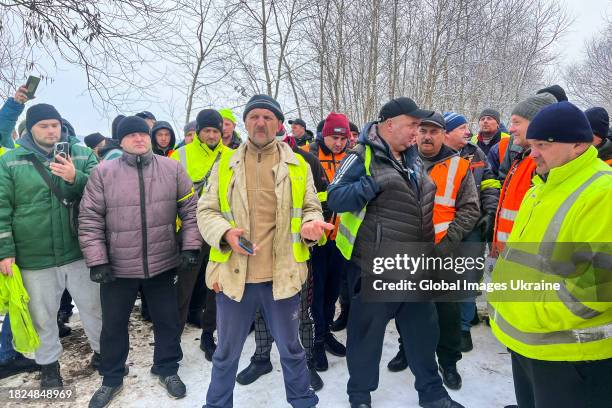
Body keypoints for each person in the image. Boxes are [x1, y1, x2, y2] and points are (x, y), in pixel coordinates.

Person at [327, 97, 464, 408]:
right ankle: (359, 396)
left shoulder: (412, 158)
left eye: (420, 126)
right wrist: (370, 184)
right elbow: (335, 197)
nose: (417, 132)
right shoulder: (361, 155)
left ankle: (433, 394)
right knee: (366, 338)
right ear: (389, 125)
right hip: (377, 266)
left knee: (422, 334)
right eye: (412, 125)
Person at [198, 94, 330, 408]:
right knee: (226, 352)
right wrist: (225, 233)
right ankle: (217, 403)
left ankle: (302, 401)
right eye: (254, 116)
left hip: (281, 276)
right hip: (234, 276)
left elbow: (312, 207)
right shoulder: (226, 163)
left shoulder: (297, 164)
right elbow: (205, 211)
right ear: (244, 123)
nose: (260, 122)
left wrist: (312, 225)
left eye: (268, 117)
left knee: (291, 349)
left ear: (279, 124)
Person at [489, 101, 612, 408]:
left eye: (542, 145)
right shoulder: (539, 189)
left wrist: (532, 314)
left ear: (579, 145)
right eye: (532, 145)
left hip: (570, 356)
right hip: (530, 345)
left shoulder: (601, 193)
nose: (533, 154)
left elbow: (598, 287)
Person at [79, 115, 202, 407]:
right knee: (114, 325)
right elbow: (89, 219)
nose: (139, 138)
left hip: (162, 263)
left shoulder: (171, 168)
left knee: (168, 321)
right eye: (131, 135)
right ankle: (111, 376)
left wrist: (190, 246)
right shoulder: (104, 174)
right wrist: (97, 261)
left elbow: (191, 210)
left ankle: (167, 367)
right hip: (118, 268)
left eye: (143, 134)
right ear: (120, 141)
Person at [0, 103, 101, 388]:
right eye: (43, 125)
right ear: (30, 128)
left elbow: (104, 189)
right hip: (34, 255)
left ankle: (103, 354)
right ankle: (49, 366)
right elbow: (1, 208)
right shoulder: (10, 161)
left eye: (54, 125)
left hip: (78, 250)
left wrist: (74, 178)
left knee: (94, 308)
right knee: (42, 316)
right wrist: (5, 252)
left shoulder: (81, 154)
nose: (50, 130)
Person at [235, 130, 330, 390]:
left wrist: (312, 227)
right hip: (257, 255)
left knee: (301, 315)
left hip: (293, 256)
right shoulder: (242, 160)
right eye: (256, 118)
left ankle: (307, 363)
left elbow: (317, 202)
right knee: (261, 314)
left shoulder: (304, 161)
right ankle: (261, 358)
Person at [412, 112, 479, 390]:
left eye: (434, 131)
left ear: (443, 134)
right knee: (410, 309)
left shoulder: (459, 166)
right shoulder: (399, 161)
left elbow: (470, 209)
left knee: (447, 314)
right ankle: (408, 352)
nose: (427, 136)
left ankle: (448, 362)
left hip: (443, 254)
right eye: (423, 130)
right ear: (415, 133)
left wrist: (448, 243)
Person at [171, 109, 233, 360]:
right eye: (206, 130)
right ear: (197, 132)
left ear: (222, 132)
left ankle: (209, 334)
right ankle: (171, 340)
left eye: (215, 131)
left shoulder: (232, 156)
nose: (211, 135)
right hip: (189, 230)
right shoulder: (180, 154)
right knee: (183, 287)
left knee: (216, 285)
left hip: (220, 229)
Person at [442, 111, 500, 352]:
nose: (468, 132)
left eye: (468, 127)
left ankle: (463, 328)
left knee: (468, 277)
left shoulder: (475, 152)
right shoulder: (431, 155)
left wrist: (490, 211)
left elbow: (489, 182)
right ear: (446, 133)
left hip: (473, 226)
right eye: (461, 128)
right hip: (443, 228)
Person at [302, 112, 350, 370]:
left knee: (332, 293)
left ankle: (327, 333)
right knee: (315, 296)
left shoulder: (352, 158)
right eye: (334, 137)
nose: (339, 143)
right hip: (316, 242)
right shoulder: (308, 157)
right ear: (324, 135)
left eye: (343, 138)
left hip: (341, 240)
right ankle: (316, 342)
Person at [492, 93, 556, 252]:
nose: (510, 128)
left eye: (516, 122)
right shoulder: (522, 158)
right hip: (508, 255)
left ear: (537, 124)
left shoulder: (545, 165)